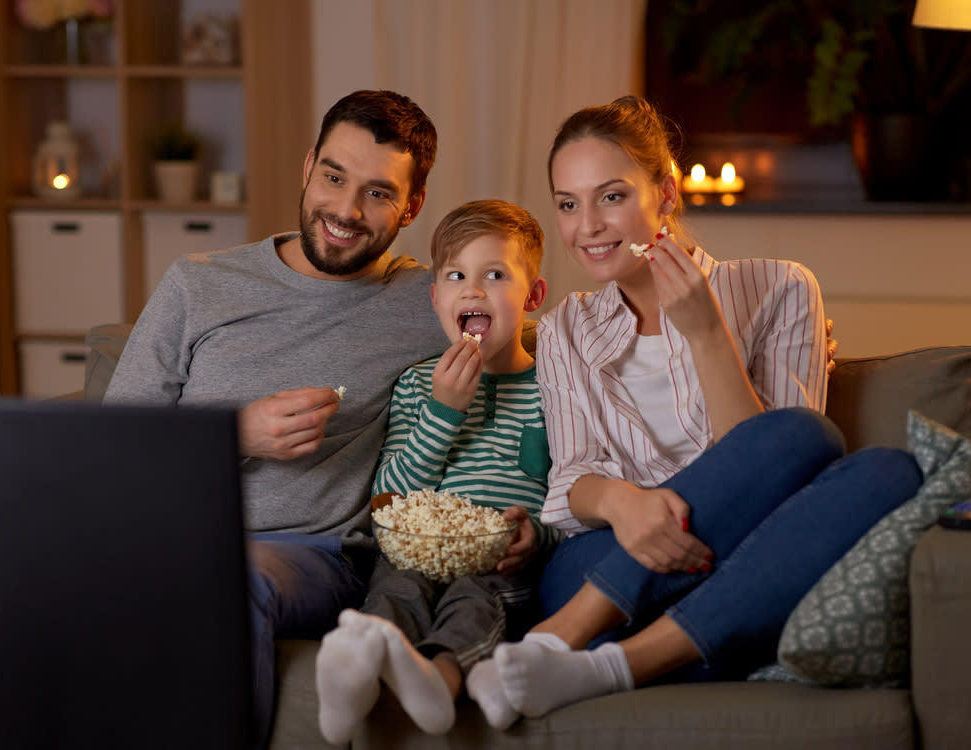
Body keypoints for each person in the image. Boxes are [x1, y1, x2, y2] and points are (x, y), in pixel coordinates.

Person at [464, 95, 923, 728]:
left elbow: (783, 470)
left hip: (733, 564)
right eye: (568, 204)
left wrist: (706, 333)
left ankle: (598, 664)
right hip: (598, 567)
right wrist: (628, 506)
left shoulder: (782, 288)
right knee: (799, 447)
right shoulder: (568, 326)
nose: (588, 226)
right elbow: (571, 481)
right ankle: (570, 635)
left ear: (667, 194)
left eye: (612, 196)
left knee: (884, 470)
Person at [102, 90, 450, 746]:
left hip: (308, 556)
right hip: (166, 538)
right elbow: (113, 450)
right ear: (307, 166)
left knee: (230, 583)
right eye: (334, 177)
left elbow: (549, 339)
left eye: (378, 193)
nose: (345, 211)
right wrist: (234, 434)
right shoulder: (197, 284)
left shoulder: (429, 301)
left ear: (413, 205)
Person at [315, 199, 560, 744]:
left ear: (533, 297)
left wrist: (536, 535)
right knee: (395, 589)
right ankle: (356, 670)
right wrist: (444, 410)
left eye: (495, 275)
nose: (473, 290)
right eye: (456, 276)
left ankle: (438, 679)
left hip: (499, 561)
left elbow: (567, 498)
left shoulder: (555, 390)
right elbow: (389, 499)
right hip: (418, 548)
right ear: (436, 298)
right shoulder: (416, 385)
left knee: (476, 599)